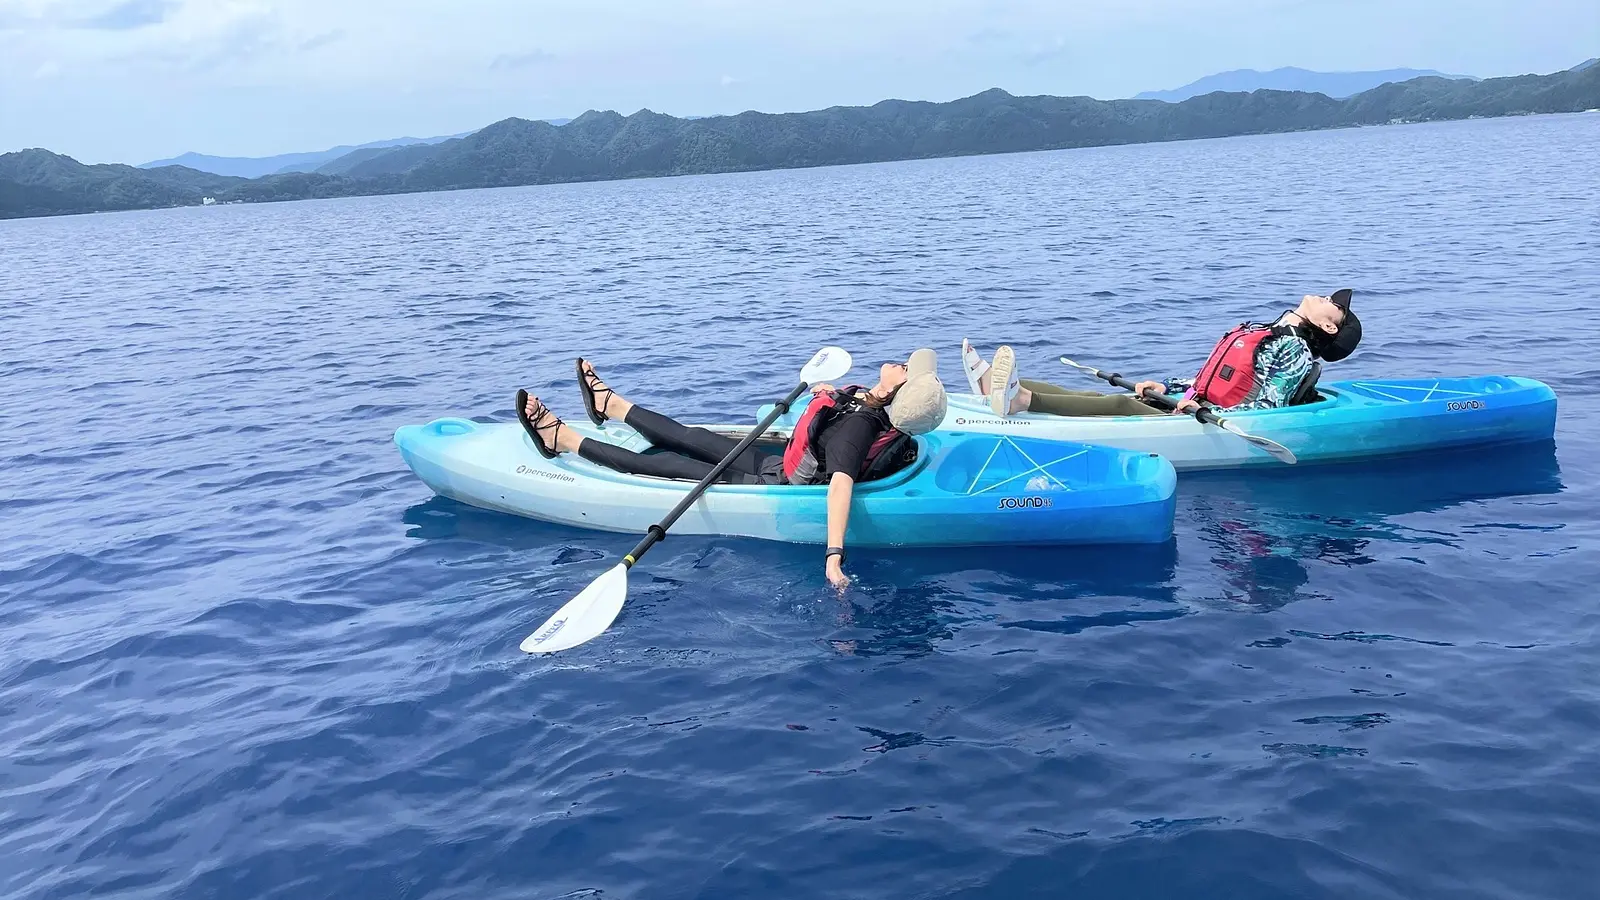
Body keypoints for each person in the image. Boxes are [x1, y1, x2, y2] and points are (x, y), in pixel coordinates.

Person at [516, 350, 948, 589]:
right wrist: (828, 397)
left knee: (663, 464)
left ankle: (562, 439)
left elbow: (840, 484)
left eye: (908, 370)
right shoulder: (864, 403)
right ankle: (609, 404)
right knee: (692, 435)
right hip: (778, 462)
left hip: (773, 481)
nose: (904, 362)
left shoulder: (859, 426)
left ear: (896, 389)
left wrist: (834, 555)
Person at [966, 289, 1363, 417]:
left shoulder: (1294, 351)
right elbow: (1213, 378)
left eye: (1336, 305)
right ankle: (991, 386)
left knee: (1121, 406)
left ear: (1330, 326)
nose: (1329, 297)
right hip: (1194, 406)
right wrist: (1170, 387)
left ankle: (1019, 399)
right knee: (1105, 396)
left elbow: (1267, 409)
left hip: (1204, 421)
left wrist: (1198, 411)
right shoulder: (1264, 331)